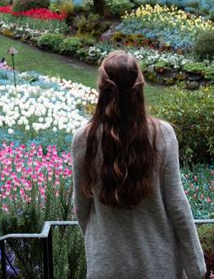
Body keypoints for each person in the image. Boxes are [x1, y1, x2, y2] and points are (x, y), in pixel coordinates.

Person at [72, 50, 206, 279]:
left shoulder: (85, 139)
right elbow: (177, 205)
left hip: (107, 268)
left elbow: (81, 207)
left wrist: (102, 245)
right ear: (140, 87)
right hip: (158, 265)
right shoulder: (161, 135)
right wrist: (196, 267)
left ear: (101, 89)